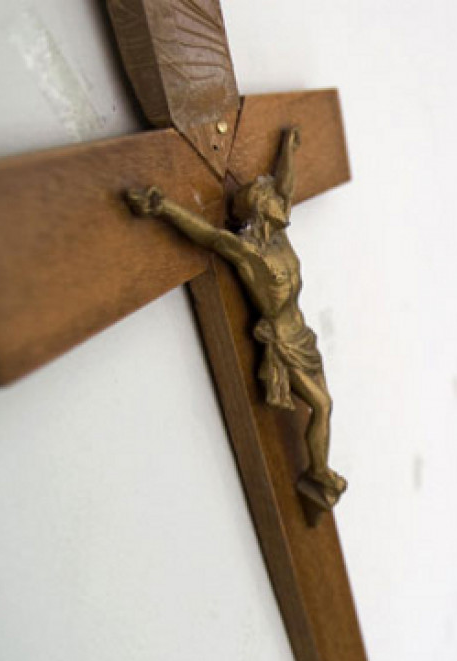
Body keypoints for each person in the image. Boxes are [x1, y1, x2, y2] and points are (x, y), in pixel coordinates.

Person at [127, 127, 348, 511]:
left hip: (304, 337)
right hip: (282, 344)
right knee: (322, 406)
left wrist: (287, 148)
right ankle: (319, 472)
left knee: (326, 406)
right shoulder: (249, 253)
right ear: (261, 206)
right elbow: (210, 237)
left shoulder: (279, 236)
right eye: (270, 194)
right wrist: (164, 208)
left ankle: (320, 472)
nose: (281, 197)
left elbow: (288, 184)